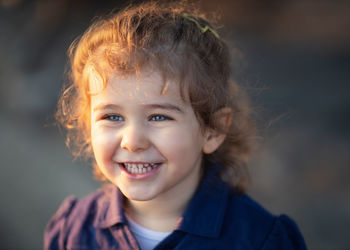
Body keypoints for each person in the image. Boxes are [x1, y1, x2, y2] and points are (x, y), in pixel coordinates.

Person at [44, 1, 307, 249]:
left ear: (213, 130)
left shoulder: (260, 240)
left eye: (158, 117)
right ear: (88, 126)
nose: (133, 141)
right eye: (112, 117)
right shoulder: (73, 230)